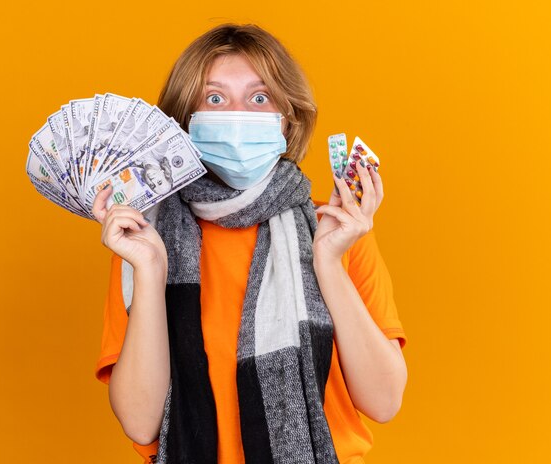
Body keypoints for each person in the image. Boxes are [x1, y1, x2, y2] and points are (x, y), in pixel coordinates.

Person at [92, 23, 408, 464]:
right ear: (184, 121)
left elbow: (384, 400)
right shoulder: (146, 241)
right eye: (215, 98)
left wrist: (330, 263)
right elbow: (141, 422)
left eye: (260, 98)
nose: (238, 115)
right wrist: (147, 272)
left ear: (287, 117)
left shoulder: (337, 229)